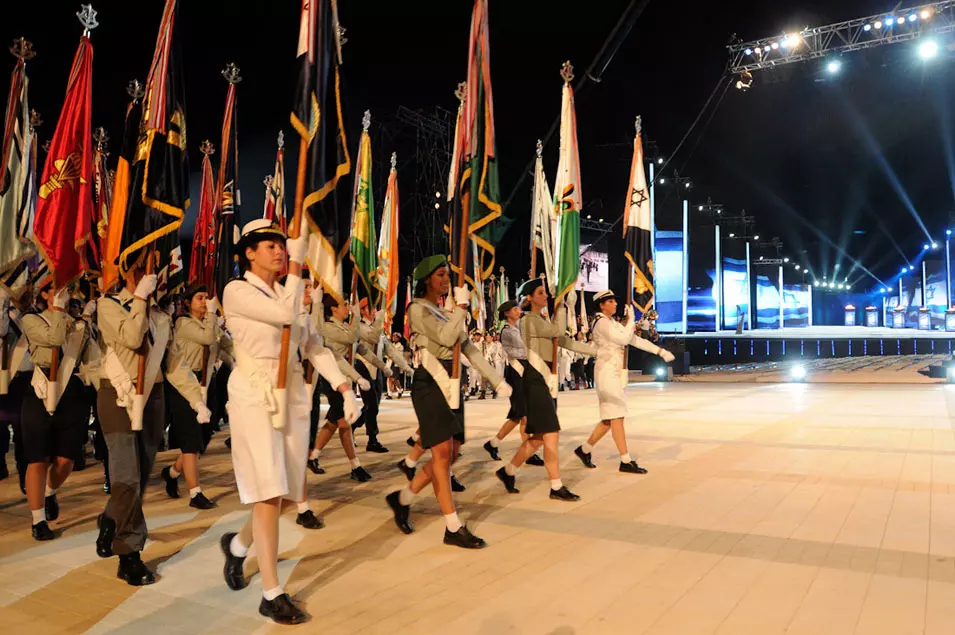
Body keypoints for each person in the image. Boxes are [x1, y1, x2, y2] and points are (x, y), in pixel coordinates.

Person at [217, 219, 359, 625]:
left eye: (282, 245)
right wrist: (297, 269)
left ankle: (239, 547)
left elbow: (313, 344)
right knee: (268, 490)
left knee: (284, 493)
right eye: (269, 245)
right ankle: (271, 592)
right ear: (248, 252)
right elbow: (282, 317)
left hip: (293, 391)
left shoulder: (288, 291)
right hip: (255, 391)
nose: (279, 251)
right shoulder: (237, 290)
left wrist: (343, 387)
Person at [95, 253, 210, 586]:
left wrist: (195, 398)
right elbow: (132, 338)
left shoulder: (161, 315)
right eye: (141, 270)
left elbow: (172, 363)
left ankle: (110, 517)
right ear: (128, 274)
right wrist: (140, 299)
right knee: (126, 476)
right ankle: (129, 554)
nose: (151, 275)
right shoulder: (109, 305)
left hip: (153, 399)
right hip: (117, 396)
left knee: (139, 479)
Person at [385, 255, 509, 548]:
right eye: (440, 275)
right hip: (430, 384)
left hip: (452, 386)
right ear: (427, 279)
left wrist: (497, 380)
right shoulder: (417, 309)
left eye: (447, 276)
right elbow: (444, 337)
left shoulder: (443, 311)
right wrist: (461, 310)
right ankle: (453, 526)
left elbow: (468, 349)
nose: (445, 281)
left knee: (452, 454)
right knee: (442, 456)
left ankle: (402, 498)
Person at [494, 278, 594, 501]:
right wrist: (563, 305)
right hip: (535, 379)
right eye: (541, 293)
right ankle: (556, 485)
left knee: (539, 437)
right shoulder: (529, 320)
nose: (545, 296)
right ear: (529, 298)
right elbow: (558, 331)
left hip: (543, 380)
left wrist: (596, 352)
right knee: (551, 433)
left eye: (546, 293)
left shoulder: (540, 319)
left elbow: (565, 342)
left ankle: (508, 471)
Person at [19, 283, 96, 540]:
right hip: (40, 391)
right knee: (37, 458)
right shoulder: (31, 319)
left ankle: (50, 491)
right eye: (55, 291)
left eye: (65, 291)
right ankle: (38, 519)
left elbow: (90, 359)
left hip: (70, 393)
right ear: (43, 294)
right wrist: (58, 310)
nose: (63, 294)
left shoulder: (76, 323)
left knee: (66, 461)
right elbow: (53, 339)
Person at [574, 290, 675, 473]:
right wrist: (630, 321)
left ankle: (584, 450)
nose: (614, 304)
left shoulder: (611, 322)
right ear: (601, 305)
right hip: (605, 372)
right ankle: (625, 460)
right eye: (610, 301)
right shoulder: (601, 322)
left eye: (614, 300)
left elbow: (634, 340)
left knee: (608, 419)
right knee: (617, 416)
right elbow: (623, 338)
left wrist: (660, 352)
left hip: (612, 372)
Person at [159, 284, 229, 509]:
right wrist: (211, 315)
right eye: (199, 298)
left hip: (207, 383)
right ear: (188, 302)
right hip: (184, 385)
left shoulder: (211, 323)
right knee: (190, 440)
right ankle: (195, 493)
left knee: (201, 439)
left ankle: (172, 472)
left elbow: (225, 346)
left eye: (207, 297)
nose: (205, 301)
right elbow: (208, 338)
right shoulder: (182, 323)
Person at [306, 294, 373, 481]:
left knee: (334, 422)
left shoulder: (341, 326)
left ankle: (314, 456)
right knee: (344, 423)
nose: (347, 307)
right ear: (333, 309)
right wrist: (357, 316)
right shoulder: (327, 327)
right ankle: (355, 466)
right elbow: (352, 338)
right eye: (343, 304)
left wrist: (358, 377)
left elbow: (340, 355)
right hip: (331, 380)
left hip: (342, 378)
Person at [352, 297, 412, 452]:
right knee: (371, 405)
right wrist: (379, 321)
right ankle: (372, 440)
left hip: (376, 369)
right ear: (363, 310)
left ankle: (353, 426)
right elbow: (371, 337)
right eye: (371, 309)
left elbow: (391, 351)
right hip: (362, 368)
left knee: (373, 406)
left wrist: (407, 368)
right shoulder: (358, 326)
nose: (375, 312)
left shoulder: (380, 330)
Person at [483, 300, 533, 462]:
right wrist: (528, 351)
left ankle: (493, 443)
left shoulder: (520, 328)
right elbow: (513, 352)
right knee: (523, 414)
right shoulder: (506, 331)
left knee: (519, 414)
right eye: (514, 309)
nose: (518, 311)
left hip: (524, 368)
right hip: (515, 370)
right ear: (507, 314)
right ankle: (528, 452)